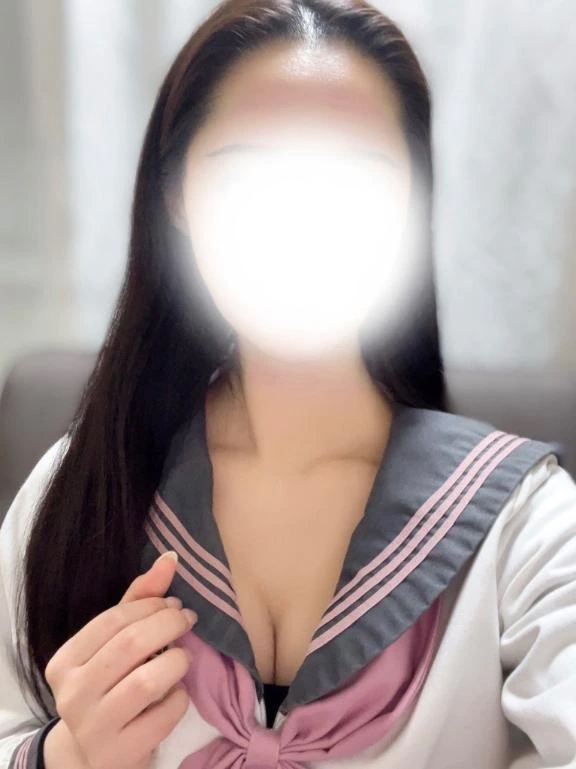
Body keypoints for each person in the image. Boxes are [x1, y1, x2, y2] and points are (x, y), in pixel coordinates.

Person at [1, 1, 576, 768]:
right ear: (176, 198)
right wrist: (64, 754)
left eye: (356, 179)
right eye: (248, 174)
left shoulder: (525, 524)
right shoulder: (80, 492)